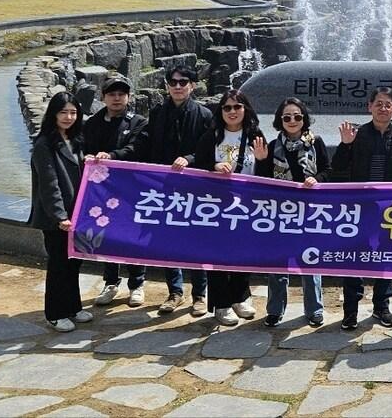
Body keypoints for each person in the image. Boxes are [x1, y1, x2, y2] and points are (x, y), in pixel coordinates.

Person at [331, 87, 392, 331]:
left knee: (385, 257)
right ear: (369, 107)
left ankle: (382, 306)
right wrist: (345, 146)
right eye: (378, 103)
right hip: (361, 206)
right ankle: (351, 311)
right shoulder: (357, 135)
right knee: (354, 257)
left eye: (388, 104)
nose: (383, 108)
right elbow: (338, 168)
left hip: (390, 209)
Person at [136, 66, 213, 316]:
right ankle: (175, 292)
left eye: (184, 82)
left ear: (192, 85)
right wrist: (113, 159)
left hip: (195, 190)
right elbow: (145, 147)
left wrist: (189, 158)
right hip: (164, 188)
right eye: (173, 82)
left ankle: (199, 295)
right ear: (167, 86)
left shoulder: (203, 114)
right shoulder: (158, 113)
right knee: (167, 241)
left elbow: (209, 150)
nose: (178, 86)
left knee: (197, 242)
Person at [194, 90, 266, 325]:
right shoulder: (212, 135)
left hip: (246, 205)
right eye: (227, 108)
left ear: (246, 109)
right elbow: (200, 162)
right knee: (217, 254)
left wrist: (263, 160)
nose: (232, 112)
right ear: (221, 111)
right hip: (216, 205)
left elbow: (264, 174)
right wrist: (214, 165)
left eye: (237, 107)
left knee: (243, 253)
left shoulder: (255, 135)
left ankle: (240, 297)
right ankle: (221, 304)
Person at [259, 96, 328, 328]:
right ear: (280, 119)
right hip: (281, 211)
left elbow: (328, 170)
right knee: (278, 261)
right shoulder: (271, 146)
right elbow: (262, 179)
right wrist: (260, 160)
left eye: (297, 116)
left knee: (311, 259)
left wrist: (315, 178)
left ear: (304, 119)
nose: (292, 120)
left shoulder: (315, 142)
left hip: (310, 210)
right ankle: (275, 310)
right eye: (287, 117)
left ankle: (315, 310)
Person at [28, 92, 94, 332]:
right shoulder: (44, 143)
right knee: (58, 264)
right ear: (53, 114)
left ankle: (73, 307)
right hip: (56, 218)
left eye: (73, 112)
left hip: (76, 214)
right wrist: (59, 216)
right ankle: (55, 313)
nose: (68, 117)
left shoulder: (76, 140)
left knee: (73, 263)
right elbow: (49, 184)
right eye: (63, 112)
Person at [84, 78, 149, 308]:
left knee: (133, 235)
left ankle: (137, 284)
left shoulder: (139, 122)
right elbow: (84, 149)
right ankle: (110, 282)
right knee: (106, 234)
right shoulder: (92, 123)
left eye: (122, 93)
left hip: (132, 191)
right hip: (102, 192)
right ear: (103, 97)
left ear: (128, 97)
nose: (117, 97)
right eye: (112, 93)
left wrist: (112, 156)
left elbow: (136, 149)